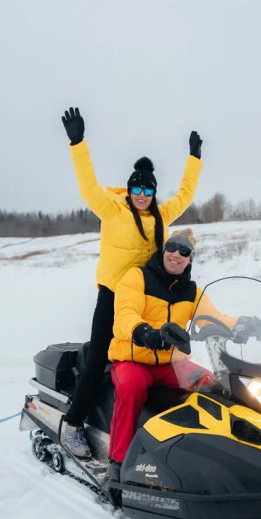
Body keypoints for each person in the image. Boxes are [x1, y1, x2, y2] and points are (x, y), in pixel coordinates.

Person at [59, 107, 203, 458]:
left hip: (148, 296)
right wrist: (78, 143)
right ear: (129, 188)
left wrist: (194, 159)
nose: (141, 193)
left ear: (153, 192)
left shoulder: (161, 216)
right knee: (98, 359)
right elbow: (88, 185)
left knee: (156, 362)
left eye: (147, 189)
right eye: (136, 187)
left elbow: (185, 195)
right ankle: (73, 424)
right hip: (112, 296)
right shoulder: (112, 209)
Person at [103, 228, 261, 490]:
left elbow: (214, 320)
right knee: (131, 388)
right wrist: (144, 331)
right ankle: (116, 463)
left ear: (190, 259)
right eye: (172, 247)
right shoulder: (138, 277)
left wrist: (244, 324)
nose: (176, 255)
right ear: (164, 250)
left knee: (214, 386)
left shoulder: (192, 291)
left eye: (185, 251)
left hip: (172, 365)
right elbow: (125, 312)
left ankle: (221, 456)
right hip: (133, 359)